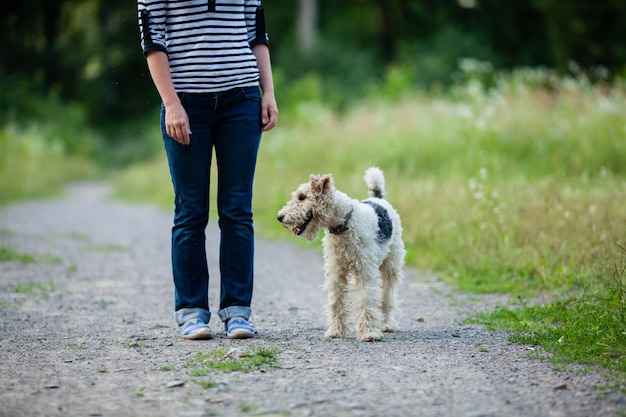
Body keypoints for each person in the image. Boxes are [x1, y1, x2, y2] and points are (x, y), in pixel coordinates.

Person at [138, 0, 278, 340]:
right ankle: (191, 313)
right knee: (190, 210)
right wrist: (172, 104)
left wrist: (268, 91)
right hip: (186, 102)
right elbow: (152, 39)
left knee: (237, 209)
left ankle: (237, 312)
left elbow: (255, 32)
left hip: (242, 100)